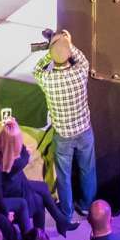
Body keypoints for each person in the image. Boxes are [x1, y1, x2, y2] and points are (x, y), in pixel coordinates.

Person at [34, 30, 97, 225]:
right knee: (88, 169)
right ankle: (87, 206)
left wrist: (52, 47)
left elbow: (37, 69)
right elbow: (80, 58)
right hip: (84, 130)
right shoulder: (80, 72)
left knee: (64, 176)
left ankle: (67, 212)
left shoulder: (47, 79)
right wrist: (66, 42)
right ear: (69, 53)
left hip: (63, 135)